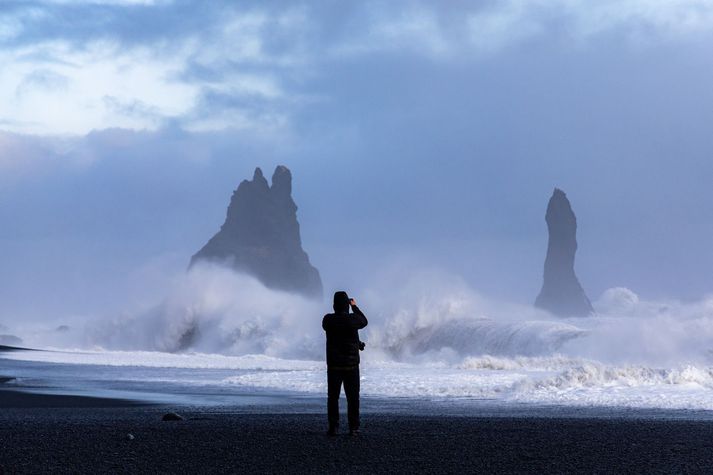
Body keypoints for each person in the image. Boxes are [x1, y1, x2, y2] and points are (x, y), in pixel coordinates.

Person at [322, 291, 368, 436]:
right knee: (353, 398)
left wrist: (357, 343)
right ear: (346, 305)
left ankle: (333, 427)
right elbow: (364, 321)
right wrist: (354, 306)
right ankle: (353, 427)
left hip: (334, 366)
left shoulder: (328, 320)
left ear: (334, 305)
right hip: (351, 366)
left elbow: (341, 332)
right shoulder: (352, 319)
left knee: (333, 398)